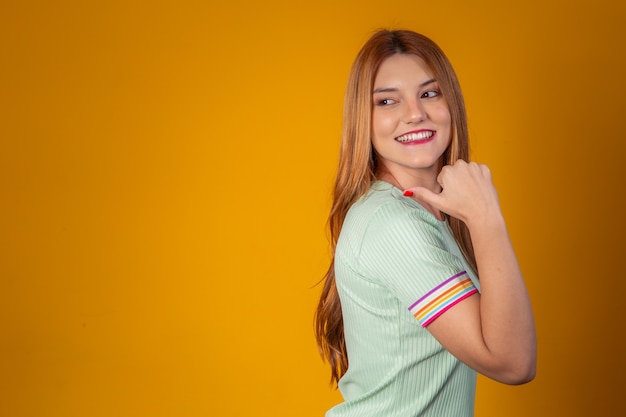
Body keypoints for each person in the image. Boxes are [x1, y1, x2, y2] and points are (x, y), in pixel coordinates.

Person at [314, 29, 536, 417]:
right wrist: (487, 219)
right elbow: (513, 363)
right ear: (363, 120)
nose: (414, 113)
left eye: (430, 93)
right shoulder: (394, 224)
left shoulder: (423, 212)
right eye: (387, 101)